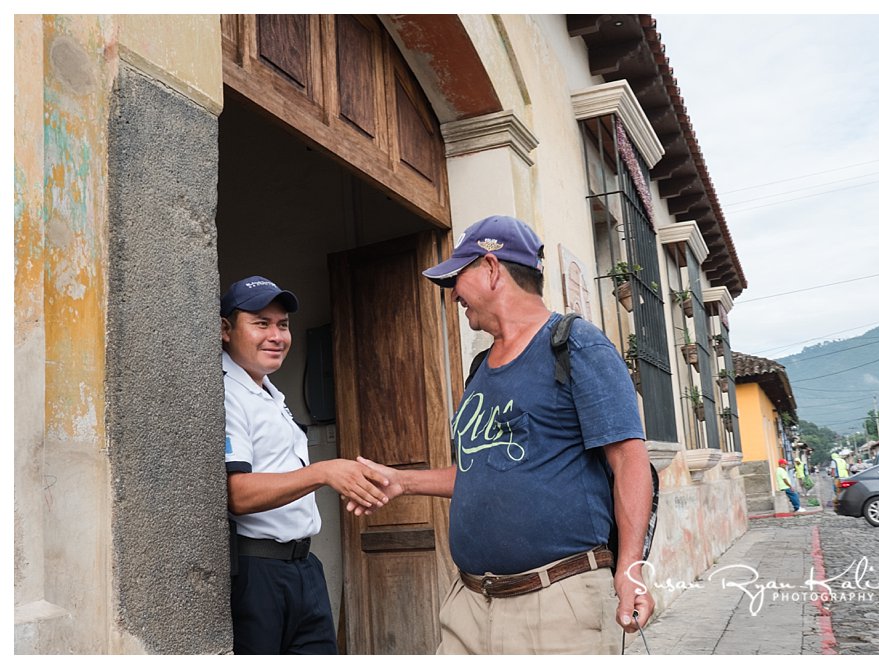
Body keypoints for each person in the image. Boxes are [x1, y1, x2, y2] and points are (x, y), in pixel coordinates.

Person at [349, 215, 656, 654]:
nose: (453, 293)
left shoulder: (576, 344)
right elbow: (481, 472)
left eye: (459, 277)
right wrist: (403, 482)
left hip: (557, 605)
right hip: (470, 606)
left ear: (492, 269)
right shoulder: (479, 368)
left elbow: (629, 460)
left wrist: (630, 571)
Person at [221, 275, 391, 654]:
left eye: (282, 325)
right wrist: (324, 472)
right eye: (261, 323)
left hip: (303, 567)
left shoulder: (267, 391)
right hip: (258, 573)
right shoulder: (227, 393)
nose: (276, 336)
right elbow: (237, 494)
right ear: (225, 330)